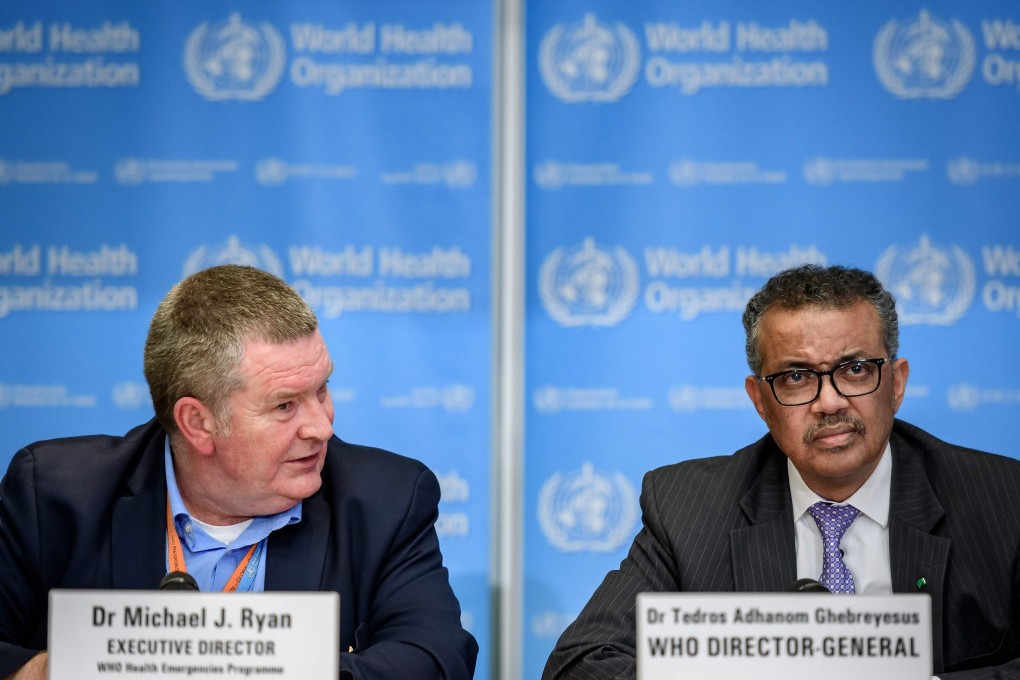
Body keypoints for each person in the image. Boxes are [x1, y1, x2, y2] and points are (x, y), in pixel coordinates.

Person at [0, 264, 478, 680]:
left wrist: (250, 665)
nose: (321, 426)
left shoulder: (385, 499)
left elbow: (437, 659)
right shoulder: (55, 496)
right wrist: (57, 669)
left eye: (322, 389)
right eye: (285, 405)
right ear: (198, 423)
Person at [543, 264, 1020, 679]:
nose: (829, 402)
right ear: (760, 402)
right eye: (796, 377)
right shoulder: (689, 510)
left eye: (855, 369)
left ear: (895, 384)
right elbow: (581, 663)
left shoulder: (1002, 501)